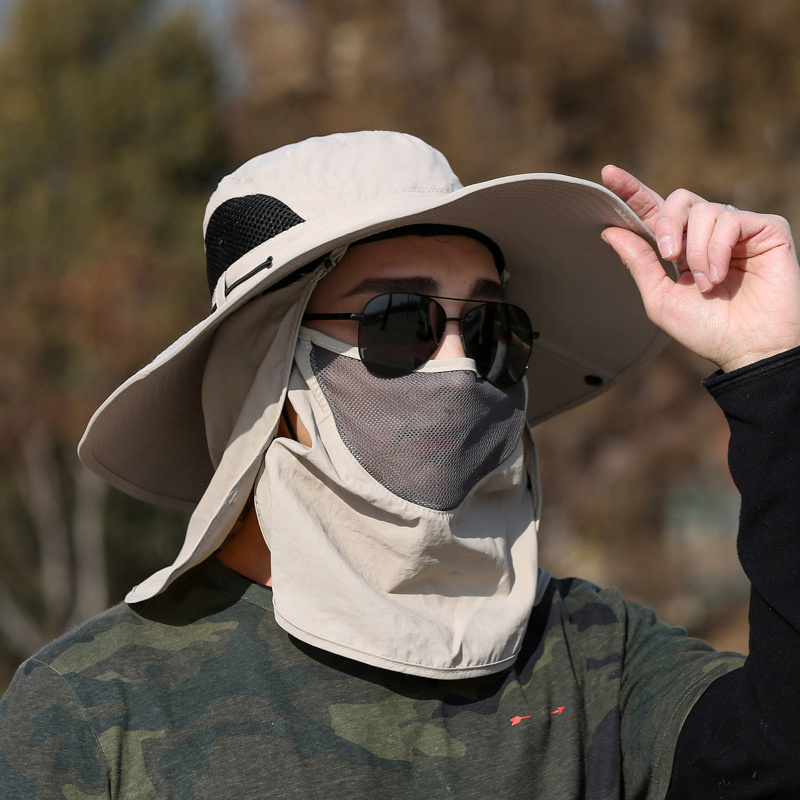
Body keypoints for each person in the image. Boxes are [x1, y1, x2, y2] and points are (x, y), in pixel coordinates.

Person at [1, 130, 799, 799]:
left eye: (491, 328)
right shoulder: (92, 712)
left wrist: (771, 365)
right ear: (267, 368)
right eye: (399, 321)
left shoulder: (596, 660)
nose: (460, 363)